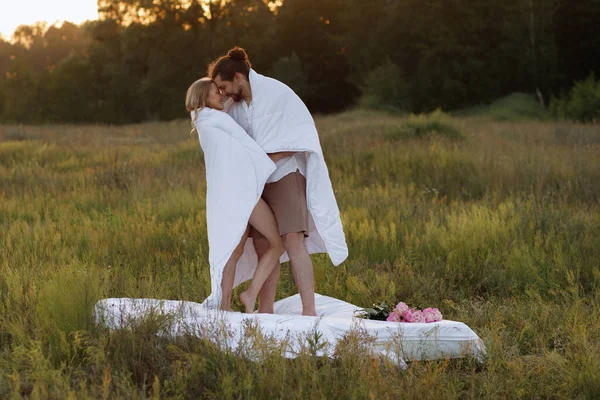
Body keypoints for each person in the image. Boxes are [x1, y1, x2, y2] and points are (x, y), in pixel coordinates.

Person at [208, 47, 348, 316]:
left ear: (237, 77)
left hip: (284, 173)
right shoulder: (233, 108)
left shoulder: (276, 93)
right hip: (257, 183)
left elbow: (298, 136)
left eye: (224, 86)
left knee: (293, 239)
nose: (223, 92)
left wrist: (259, 159)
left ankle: (309, 311)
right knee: (263, 245)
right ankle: (265, 309)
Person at [185, 77, 285, 313]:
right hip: (240, 194)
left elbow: (232, 155)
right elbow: (243, 152)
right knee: (276, 244)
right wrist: (280, 155)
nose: (222, 95)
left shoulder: (205, 123)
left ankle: (224, 306)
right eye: (216, 92)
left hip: (226, 195)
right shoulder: (217, 121)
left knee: (234, 251)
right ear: (202, 97)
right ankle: (249, 296)